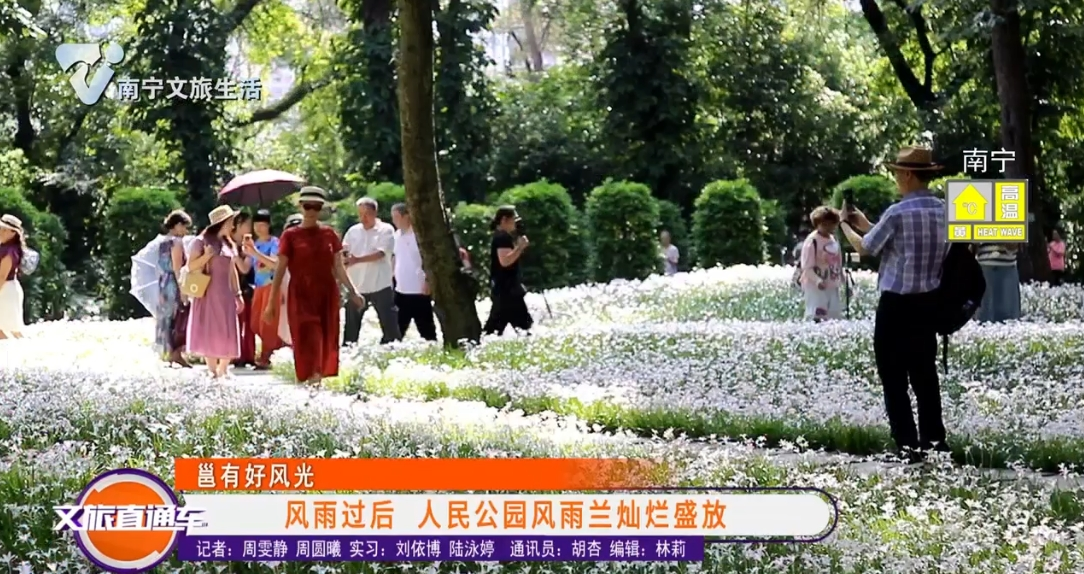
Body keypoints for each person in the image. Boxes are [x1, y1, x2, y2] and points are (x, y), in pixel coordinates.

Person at [838, 145, 950, 461]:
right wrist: (865, 222)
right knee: (925, 375)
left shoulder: (897, 212)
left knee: (894, 377)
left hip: (896, 307)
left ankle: (907, 445)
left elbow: (867, 249)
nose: (896, 178)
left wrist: (845, 224)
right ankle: (935, 442)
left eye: (897, 173)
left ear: (908, 174)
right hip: (928, 303)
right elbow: (899, 245)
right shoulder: (944, 210)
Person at [263, 187, 365, 386]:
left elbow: (338, 267)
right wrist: (271, 303)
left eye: (316, 207)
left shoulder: (329, 234)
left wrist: (354, 291)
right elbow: (280, 269)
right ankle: (310, 380)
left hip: (326, 294)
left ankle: (315, 382)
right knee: (307, 336)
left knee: (325, 338)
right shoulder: (290, 236)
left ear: (321, 209)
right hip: (300, 294)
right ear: (300, 206)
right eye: (308, 206)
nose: (311, 211)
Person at [186, 205, 243, 379]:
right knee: (210, 329)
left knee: (227, 328)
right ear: (222, 223)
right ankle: (212, 370)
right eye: (230, 222)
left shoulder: (228, 243)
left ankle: (223, 368)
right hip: (208, 291)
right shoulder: (200, 241)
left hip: (225, 292)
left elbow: (232, 269)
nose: (232, 226)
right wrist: (207, 256)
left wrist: (238, 293)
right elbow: (190, 266)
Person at [342, 197, 400, 345]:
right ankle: (349, 350)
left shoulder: (386, 230)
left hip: (379, 284)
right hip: (357, 285)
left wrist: (357, 260)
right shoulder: (353, 231)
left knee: (388, 323)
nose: (363, 218)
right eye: (360, 214)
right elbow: (345, 249)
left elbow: (381, 253)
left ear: (375, 212)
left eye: (366, 214)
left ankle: (393, 348)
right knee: (351, 325)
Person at [483, 205, 533, 336]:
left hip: (505, 289)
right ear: (505, 220)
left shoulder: (502, 237)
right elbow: (505, 261)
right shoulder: (502, 238)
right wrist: (520, 248)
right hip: (507, 289)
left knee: (495, 325)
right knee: (523, 325)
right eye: (514, 220)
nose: (516, 224)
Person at [390, 203, 437, 341]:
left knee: (426, 328)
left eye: (397, 217)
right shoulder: (397, 235)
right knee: (396, 328)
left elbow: (428, 260)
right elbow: (395, 257)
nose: (394, 221)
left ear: (407, 216)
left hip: (419, 288)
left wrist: (428, 281)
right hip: (401, 289)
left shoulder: (420, 236)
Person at [245, 209, 282, 369]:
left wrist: (254, 252)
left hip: (272, 285)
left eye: (262, 225)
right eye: (256, 225)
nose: (259, 228)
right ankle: (269, 353)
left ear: (269, 225)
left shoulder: (275, 242)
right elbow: (246, 267)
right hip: (258, 286)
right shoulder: (254, 243)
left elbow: (275, 264)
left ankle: (266, 356)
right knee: (255, 323)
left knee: (268, 323)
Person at [157, 210, 193, 367]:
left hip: (164, 281)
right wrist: (184, 291)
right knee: (178, 316)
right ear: (178, 225)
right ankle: (176, 352)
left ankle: (171, 352)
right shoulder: (177, 243)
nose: (186, 232)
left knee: (167, 318)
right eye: (185, 227)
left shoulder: (163, 242)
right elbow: (178, 268)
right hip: (174, 282)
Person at [799, 207, 844, 321]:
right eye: (825, 224)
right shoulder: (812, 241)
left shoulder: (833, 240)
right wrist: (818, 280)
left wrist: (842, 278)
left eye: (832, 224)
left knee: (834, 316)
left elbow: (838, 263)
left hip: (832, 284)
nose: (829, 227)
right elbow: (807, 267)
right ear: (818, 224)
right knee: (817, 314)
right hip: (816, 287)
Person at [231, 211, 257, 367]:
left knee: (248, 324)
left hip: (245, 288)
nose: (250, 227)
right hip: (227, 288)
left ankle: (248, 354)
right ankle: (233, 353)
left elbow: (245, 269)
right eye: (247, 224)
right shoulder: (226, 243)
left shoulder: (247, 245)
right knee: (232, 323)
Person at [975, 243, 1021, 322]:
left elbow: (1013, 246)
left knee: (1009, 318)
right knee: (983, 317)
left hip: (1007, 267)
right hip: (984, 267)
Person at [0, 214, 27, 339]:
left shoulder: (10, 251)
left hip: (6, 290)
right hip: (7, 289)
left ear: (13, 233)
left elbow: (2, 276)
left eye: (5, 229)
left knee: (12, 329)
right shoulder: (5, 248)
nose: (1, 232)